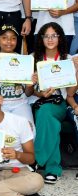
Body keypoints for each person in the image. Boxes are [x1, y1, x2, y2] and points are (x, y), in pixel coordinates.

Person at [29, 23, 72, 184]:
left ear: (60, 38)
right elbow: (28, 92)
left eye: (54, 35)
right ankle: (53, 169)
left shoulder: (67, 59)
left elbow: (70, 92)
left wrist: (76, 73)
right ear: (41, 39)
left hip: (59, 102)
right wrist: (36, 89)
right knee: (51, 122)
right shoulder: (33, 58)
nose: (50, 39)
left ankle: (35, 159)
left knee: (47, 112)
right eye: (46, 36)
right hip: (38, 101)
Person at [0, 25, 34, 124]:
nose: (9, 41)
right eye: (4, 38)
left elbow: (28, 93)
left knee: (29, 129)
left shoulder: (24, 61)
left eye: (13, 38)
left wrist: (29, 86)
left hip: (21, 104)